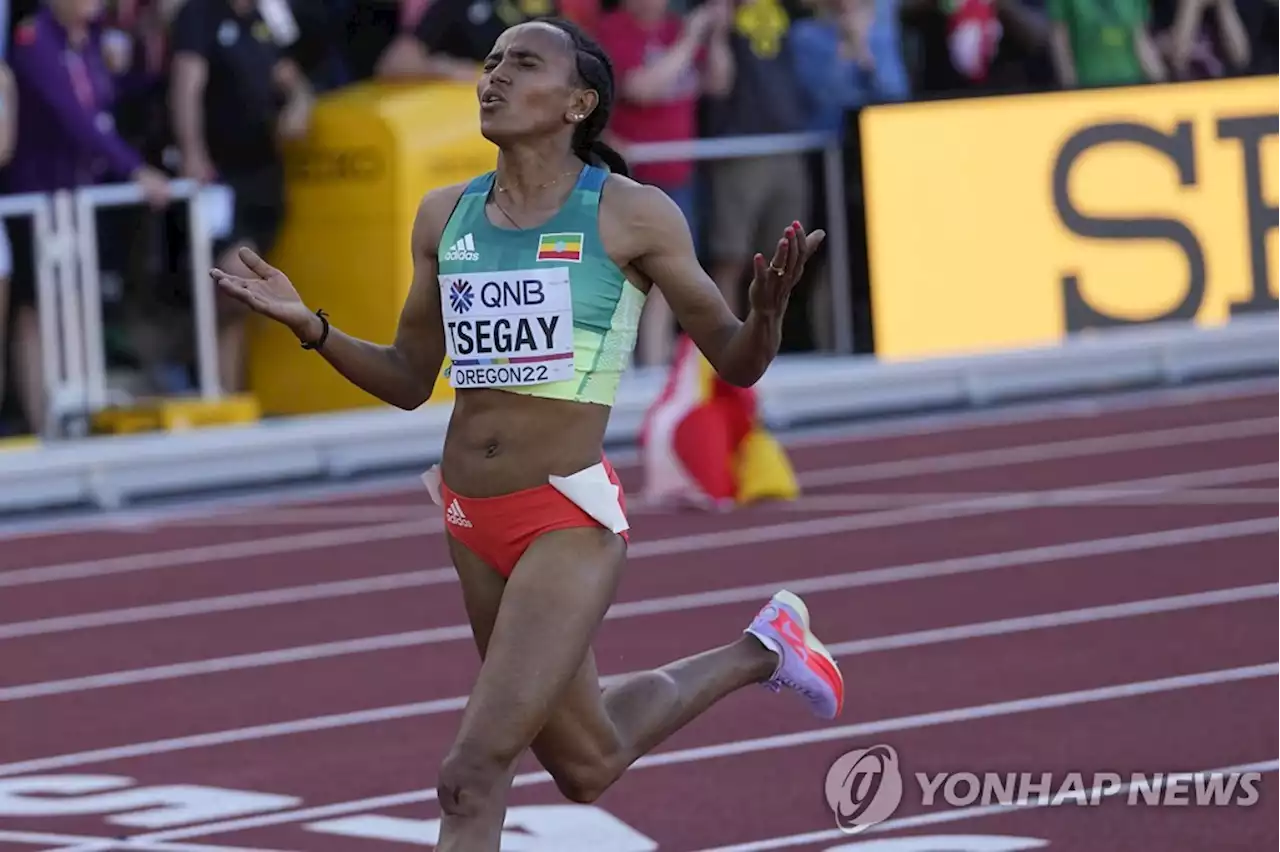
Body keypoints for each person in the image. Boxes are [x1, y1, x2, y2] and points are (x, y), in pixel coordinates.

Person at [210, 17, 841, 851]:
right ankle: (766, 649)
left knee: (470, 777)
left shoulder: (633, 216)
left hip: (564, 521)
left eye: (523, 64)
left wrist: (764, 318)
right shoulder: (446, 217)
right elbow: (407, 380)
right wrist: (312, 327)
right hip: (472, 522)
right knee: (589, 762)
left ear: (579, 101)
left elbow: (737, 361)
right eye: (492, 62)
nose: (494, 77)